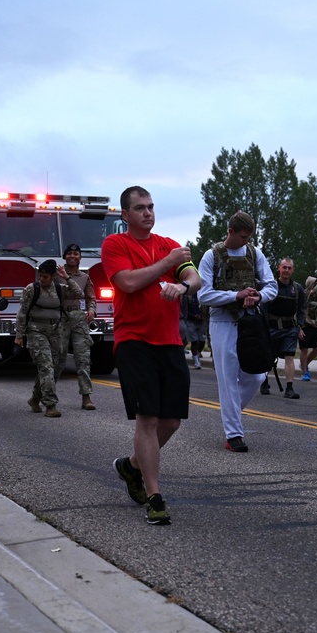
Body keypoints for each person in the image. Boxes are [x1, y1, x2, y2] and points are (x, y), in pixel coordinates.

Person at [102, 185, 200, 525]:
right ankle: (154, 495)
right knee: (148, 419)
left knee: (171, 421)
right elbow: (127, 282)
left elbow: (194, 276)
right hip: (133, 341)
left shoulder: (169, 245)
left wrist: (183, 285)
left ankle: (131, 466)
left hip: (169, 342)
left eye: (151, 206)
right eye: (140, 208)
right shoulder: (116, 244)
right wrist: (167, 265)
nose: (148, 212)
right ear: (125, 214)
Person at [198, 210, 278, 452]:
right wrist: (235, 295)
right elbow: (204, 294)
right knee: (228, 378)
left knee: (256, 375)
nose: (246, 241)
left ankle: (230, 413)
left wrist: (258, 295)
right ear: (230, 231)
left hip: (249, 321)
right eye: (243, 236)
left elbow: (271, 286)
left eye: (250, 236)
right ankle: (234, 434)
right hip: (222, 321)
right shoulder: (212, 256)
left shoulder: (255, 254)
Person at [14, 259, 83, 418]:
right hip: (36, 330)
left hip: (56, 330)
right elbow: (22, 313)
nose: (41, 279)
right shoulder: (31, 289)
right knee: (46, 366)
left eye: (45, 276)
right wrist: (19, 335)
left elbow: (79, 294)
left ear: (53, 276)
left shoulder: (60, 289)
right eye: (40, 276)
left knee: (57, 366)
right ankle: (50, 404)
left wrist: (66, 277)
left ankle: (35, 398)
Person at [261, 257, 306, 399]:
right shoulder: (271, 286)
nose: (286, 270)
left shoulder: (297, 289)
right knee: (268, 357)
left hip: (290, 329)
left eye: (289, 268)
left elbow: (302, 309)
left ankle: (289, 388)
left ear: (293, 270)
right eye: (284, 267)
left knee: (289, 356)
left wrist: (299, 326)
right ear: (279, 269)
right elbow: (263, 308)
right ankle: (264, 381)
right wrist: (262, 328)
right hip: (271, 328)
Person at [60, 243, 97, 410]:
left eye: (76, 253)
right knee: (57, 359)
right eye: (69, 254)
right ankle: (42, 395)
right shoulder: (56, 275)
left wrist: (91, 310)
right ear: (64, 256)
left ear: (80, 257)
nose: (72, 256)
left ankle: (86, 397)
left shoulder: (85, 277)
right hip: (60, 318)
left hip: (78, 318)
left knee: (83, 358)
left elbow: (91, 298)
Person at [299, 275, 317, 381]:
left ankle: (304, 364)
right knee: (304, 349)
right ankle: (304, 372)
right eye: (315, 284)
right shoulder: (303, 296)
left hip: (314, 325)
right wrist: (299, 327)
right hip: (304, 325)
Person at [180, 291, 206, 369]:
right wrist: (191, 316)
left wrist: (202, 316)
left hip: (202, 321)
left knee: (202, 341)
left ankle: (197, 354)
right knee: (194, 341)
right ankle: (196, 361)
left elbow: (205, 308)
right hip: (191, 321)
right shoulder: (188, 296)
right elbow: (185, 309)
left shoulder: (202, 294)